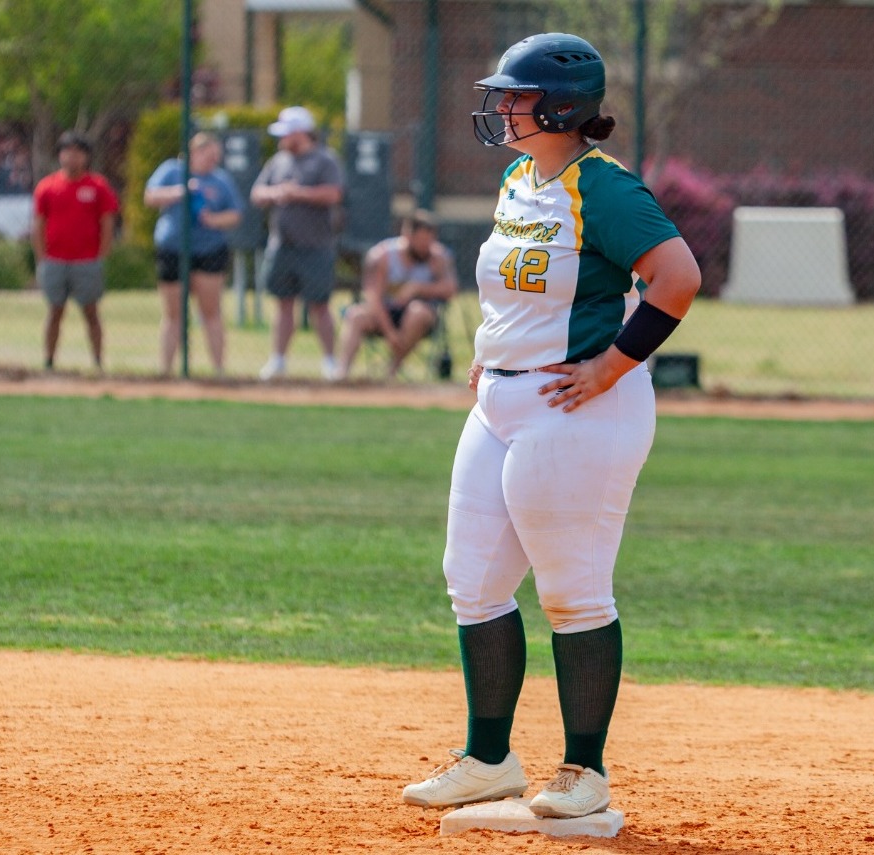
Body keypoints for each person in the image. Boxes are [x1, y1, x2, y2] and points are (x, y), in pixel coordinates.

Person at [400, 33, 702, 820]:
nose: (501, 107)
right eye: (500, 94)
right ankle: (488, 758)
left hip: (577, 406)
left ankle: (584, 771)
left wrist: (611, 366)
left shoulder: (600, 189)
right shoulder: (517, 178)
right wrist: (487, 353)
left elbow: (677, 276)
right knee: (472, 582)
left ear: (563, 107)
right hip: (501, 401)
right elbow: (515, 289)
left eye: (516, 96)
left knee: (572, 593)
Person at [249, 106, 345, 380]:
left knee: (319, 305)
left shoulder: (325, 160)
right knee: (283, 303)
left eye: (286, 133)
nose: (282, 139)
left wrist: (298, 193)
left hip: (316, 245)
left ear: (301, 133)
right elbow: (257, 193)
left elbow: (333, 194)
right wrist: (276, 193)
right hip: (281, 244)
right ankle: (277, 360)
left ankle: (329, 363)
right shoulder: (278, 161)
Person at [144, 132, 244, 376]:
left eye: (215, 157)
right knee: (173, 314)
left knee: (211, 312)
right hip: (173, 250)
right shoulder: (171, 170)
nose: (212, 161)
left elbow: (235, 214)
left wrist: (214, 220)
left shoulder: (221, 181)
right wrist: (181, 191)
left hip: (209, 250)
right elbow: (150, 196)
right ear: (194, 153)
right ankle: (166, 370)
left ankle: (219, 370)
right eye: (208, 155)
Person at [334, 209, 458, 381]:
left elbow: (450, 289)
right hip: (384, 313)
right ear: (407, 235)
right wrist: (390, 332)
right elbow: (373, 298)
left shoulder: (437, 257)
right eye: (421, 241)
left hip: (418, 317)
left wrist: (417, 288)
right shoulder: (383, 256)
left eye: (429, 241)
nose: (425, 247)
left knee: (418, 312)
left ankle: (389, 374)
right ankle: (341, 375)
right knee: (356, 315)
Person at [32, 131, 120, 371]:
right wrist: (41, 256)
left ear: (86, 157)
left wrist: (102, 253)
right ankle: (49, 361)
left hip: (86, 261)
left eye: (77, 152)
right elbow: (38, 223)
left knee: (91, 312)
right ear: (59, 155)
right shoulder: (47, 187)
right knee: (54, 311)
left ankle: (98, 361)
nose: (72, 158)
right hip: (55, 260)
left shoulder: (97, 186)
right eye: (67, 152)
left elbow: (107, 221)